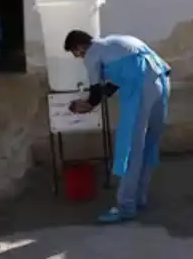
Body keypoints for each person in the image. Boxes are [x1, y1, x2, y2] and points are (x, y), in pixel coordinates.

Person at [65, 31, 170, 224]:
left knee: (131, 147)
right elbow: (121, 79)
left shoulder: (92, 52)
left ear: (79, 47)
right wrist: (94, 100)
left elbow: (96, 91)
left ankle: (126, 207)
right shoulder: (116, 41)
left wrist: (86, 105)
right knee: (149, 143)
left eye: (77, 54)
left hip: (141, 89)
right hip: (160, 81)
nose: (80, 58)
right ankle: (139, 197)